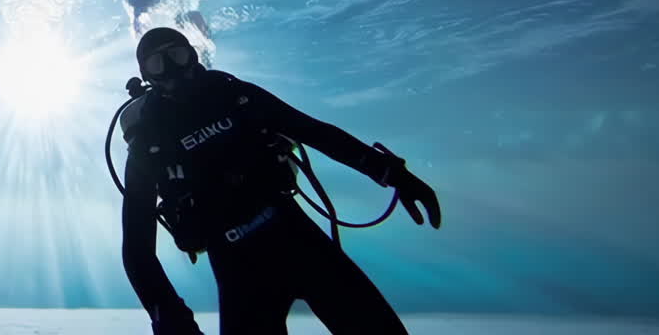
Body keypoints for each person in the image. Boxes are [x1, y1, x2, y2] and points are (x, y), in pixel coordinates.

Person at [119, 27, 441, 335]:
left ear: (193, 55)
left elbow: (313, 131)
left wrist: (391, 172)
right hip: (237, 270)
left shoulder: (235, 95)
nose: (173, 68)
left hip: (296, 236)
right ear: (147, 76)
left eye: (177, 55)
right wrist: (168, 313)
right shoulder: (149, 142)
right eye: (158, 63)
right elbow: (137, 247)